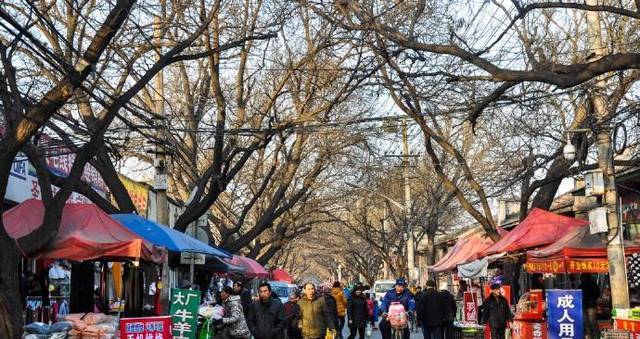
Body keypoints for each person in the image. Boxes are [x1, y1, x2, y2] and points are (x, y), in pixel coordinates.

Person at [580, 274, 600, 339]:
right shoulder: (594, 285)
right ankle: (595, 337)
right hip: (590, 306)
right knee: (591, 324)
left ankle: (592, 337)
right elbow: (597, 295)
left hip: (587, 306)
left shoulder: (581, 286)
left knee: (589, 324)